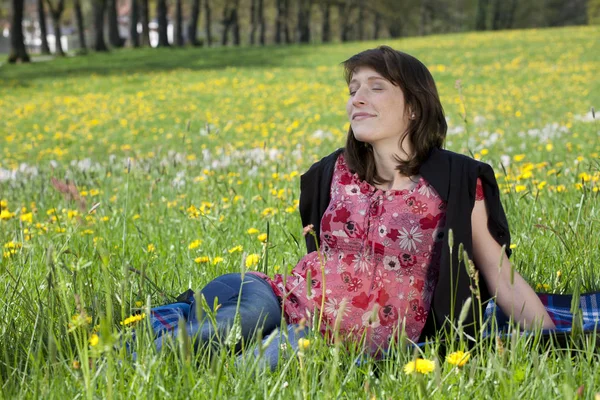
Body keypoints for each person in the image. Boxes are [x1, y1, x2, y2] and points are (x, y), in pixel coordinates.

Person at [148, 46, 556, 367]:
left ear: (414, 106)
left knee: (261, 365)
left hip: (338, 340)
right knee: (246, 321)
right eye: (352, 90)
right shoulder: (334, 172)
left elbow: (499, 274)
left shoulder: (455, 181)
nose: (357, 98)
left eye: (375, 87)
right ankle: (134, 354)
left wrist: (553, 343)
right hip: (273, 297)